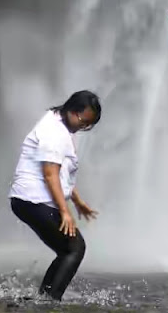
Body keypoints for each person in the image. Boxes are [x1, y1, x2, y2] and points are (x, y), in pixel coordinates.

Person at [9, 91, 102, 300]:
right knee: (74, 248)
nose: (83, 127)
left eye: (88, 125)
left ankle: (45, 297)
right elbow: (50, 174)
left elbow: (61, 174)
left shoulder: (58, 123)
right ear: (71, 110)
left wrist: (77, 201)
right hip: (33, 200)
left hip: (29, 201)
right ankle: (50, 301)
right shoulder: (54, 132)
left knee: (68, 249)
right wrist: (65, 211)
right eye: (82, 121)